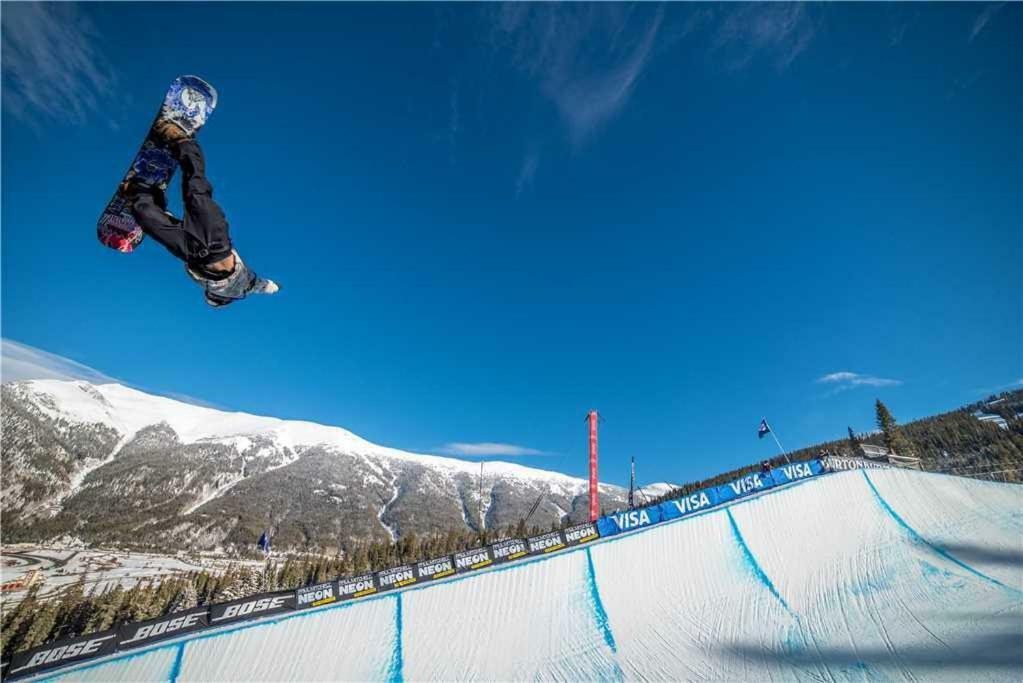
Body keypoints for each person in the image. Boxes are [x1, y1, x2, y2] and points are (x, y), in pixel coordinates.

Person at [121, 120, 279, 307]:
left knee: (159, 216)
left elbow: (265, 287)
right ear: (223, 299)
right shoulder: (245, 286)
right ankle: (182, 141)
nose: (211, 294)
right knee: (195, 190)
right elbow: (264, 286)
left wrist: (270, 287)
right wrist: (270, 287)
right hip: (215, 240)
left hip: (194, 252)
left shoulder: (229, 285)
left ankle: (141, 194)